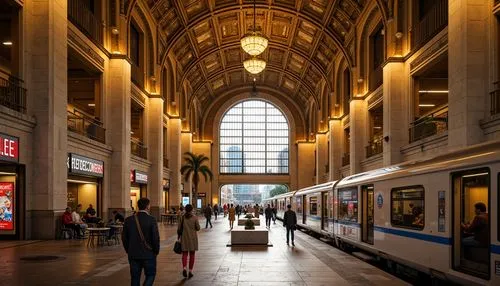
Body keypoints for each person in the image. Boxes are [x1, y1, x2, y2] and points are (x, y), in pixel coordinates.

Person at [122, 198, 160, 286]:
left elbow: (124, 238)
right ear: (147, 206)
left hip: (133, 253)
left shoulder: (128, 220)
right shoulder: (152, 220)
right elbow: (155, 238)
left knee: (135, 277)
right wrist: (156, 251)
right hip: (149, 253)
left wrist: (129, 250)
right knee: (150, 275)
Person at [177, 204, 200, 279]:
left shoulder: (182, 217)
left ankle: (184, 268)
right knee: (192, 255)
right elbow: (198, 228)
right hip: (193, 239)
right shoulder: (194, 217)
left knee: (184, 254)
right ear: (192, 210)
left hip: (184, 238)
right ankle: (190, 271)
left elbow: (179, 228)